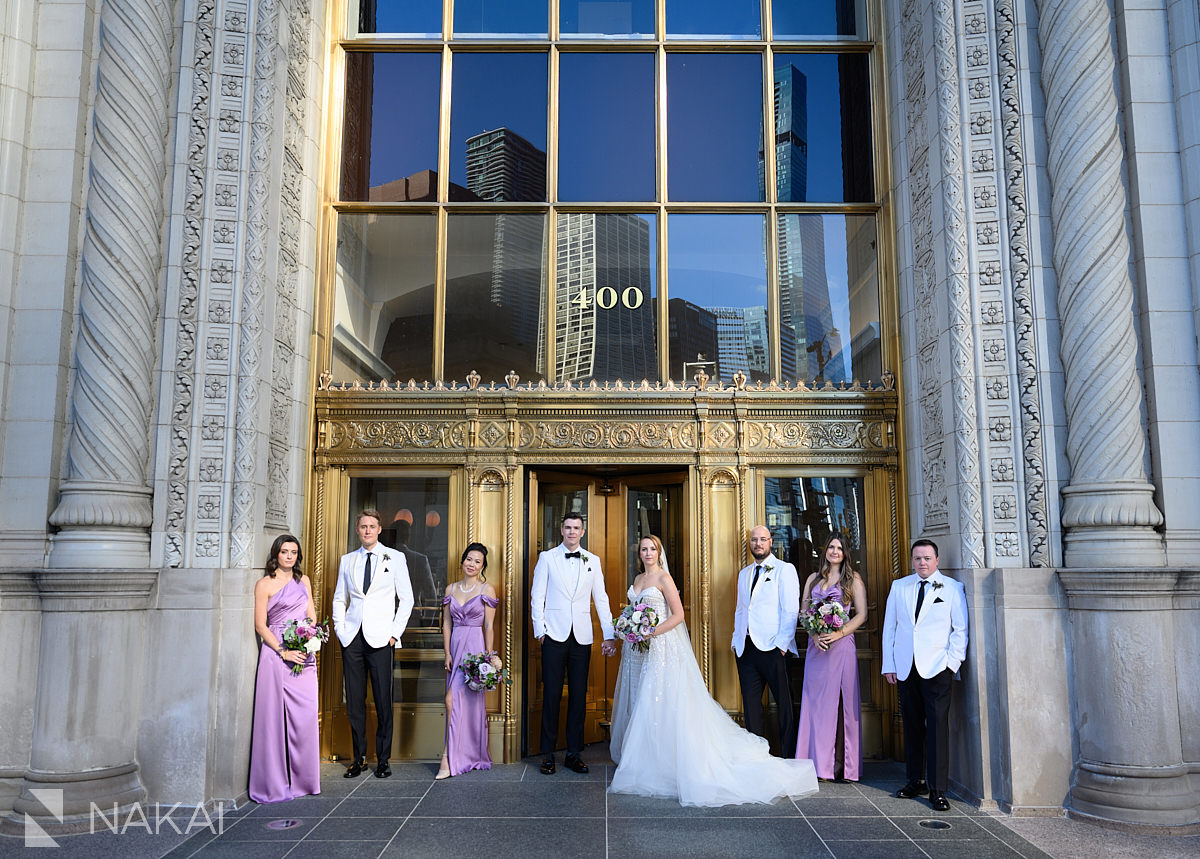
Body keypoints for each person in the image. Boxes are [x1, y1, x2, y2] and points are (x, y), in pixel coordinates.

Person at [609, 536, 818, 806]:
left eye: (652, 549)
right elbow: (631, 611)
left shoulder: (663, 579)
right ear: (639, 554)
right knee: (642, 700)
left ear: (659, 553)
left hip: (661, 648)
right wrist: (626, 631)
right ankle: (644, 758)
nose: (648, 553)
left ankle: (663, 763)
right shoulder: (637, 581)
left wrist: (650, 631)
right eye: (643, 549)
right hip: (638, 652)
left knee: (659, 700)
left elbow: (678, 615)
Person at [882, 538, 969, 811]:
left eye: (927, 558)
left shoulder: (952, 589)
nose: (922, 562)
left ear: (937, 560)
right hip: (906, 669)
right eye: (917, 558)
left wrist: (951, 665)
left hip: (937, 669)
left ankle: (937, 789)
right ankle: (914, 780)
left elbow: (960, 630)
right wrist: (890, 664)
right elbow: (890, 628)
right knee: (912, 727)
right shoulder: (899, 587)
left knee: (937, 729)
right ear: (912, 561)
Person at [530, 511, 617, 775]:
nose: (571, 532)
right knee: (552, 695)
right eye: (567, 527)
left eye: (576, 528)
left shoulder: (593, 560)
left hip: (581, 637)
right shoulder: (547, 558)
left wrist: (609, 633)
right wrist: (539, 631)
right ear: (561, 529)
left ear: (582, 532)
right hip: (553, 636)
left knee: (579, 696)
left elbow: (601, 598)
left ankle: (573, 753)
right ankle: (548, 754)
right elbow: (537, 596)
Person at [332, 508, 414, 779]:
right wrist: (341, 631)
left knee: (383, 702)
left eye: (372, 526)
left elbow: (407, 599)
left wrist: (394, 634)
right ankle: (359, 759)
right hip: (353, 639)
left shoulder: (395, 558)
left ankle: (384, 759)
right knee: (354, 702)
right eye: (363, 526)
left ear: (379, 530)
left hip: (381, 639)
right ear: (358, 530)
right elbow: (339, 599)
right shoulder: (347, 560)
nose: (367, 530)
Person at [249, 535, 320, 803]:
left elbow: (311, 613)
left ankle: (304, 781)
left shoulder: (304, 581)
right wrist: (283, 650)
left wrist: (308, 637)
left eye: (293, 552)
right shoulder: (264, 584)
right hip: (276, 654)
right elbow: (260, 625)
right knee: (273, 720)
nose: (289, 556)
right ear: (275, 554)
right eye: (284, 552)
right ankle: (275, 782)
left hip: (303, 651)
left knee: (305, 717)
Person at [795, 533, 867, 781]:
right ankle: (814, 764)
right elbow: (804, 612)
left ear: (846, 553)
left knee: (840, 705)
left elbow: (862, 615)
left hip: (841, 647)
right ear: (824, 550)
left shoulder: (852, 579)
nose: (835, 551)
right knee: (816, 705)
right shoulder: (813, 579)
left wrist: (838, 634)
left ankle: (840, 766)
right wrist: (814, 635)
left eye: (839, 548)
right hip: (817, 649)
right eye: (831, 547)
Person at [731, 525, 801, 755]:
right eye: (753, 540)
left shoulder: (784, 569)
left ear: (771, 542)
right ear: (749, 543)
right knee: (751, 707)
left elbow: (791, 610)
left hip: (773, 647)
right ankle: (757, 757)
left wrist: (782, 645)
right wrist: (736, 640)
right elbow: (741, 610)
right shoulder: (744, 574)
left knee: (784, 706)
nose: (757, 544)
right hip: (747, 648)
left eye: (762, 539)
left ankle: (789, 754)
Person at [436, 542, 500, 779]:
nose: (472, 564)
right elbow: (446, 624)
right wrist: (447, 653)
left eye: (478, 562)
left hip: (474, 648)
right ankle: (457, 755)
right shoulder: (450, 589)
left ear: (483, 566)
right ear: (462, 560)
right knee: (455, 701)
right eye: (469, 559)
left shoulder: (487, 590)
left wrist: (488, 657)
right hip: (455, 646)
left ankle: (447, 757)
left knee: (452, 700)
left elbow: (489, 625)